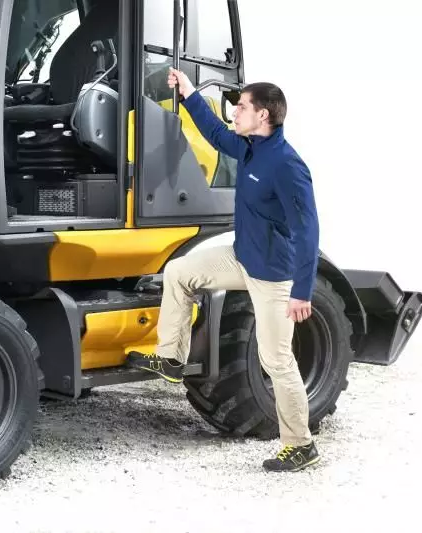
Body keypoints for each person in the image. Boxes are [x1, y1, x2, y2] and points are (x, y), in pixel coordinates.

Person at [126, 68, 321, 473]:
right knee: (180, 272)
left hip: (273, 275)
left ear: (264, 115)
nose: (235, 112)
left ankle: (301, 445)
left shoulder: (286, 165)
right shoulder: (251, 148)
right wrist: (189, 92)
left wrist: (302, 290)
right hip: (243, 256)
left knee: (277, 360)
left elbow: (307, 229)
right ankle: (172, 359)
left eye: (243, 107)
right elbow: (215, 134)